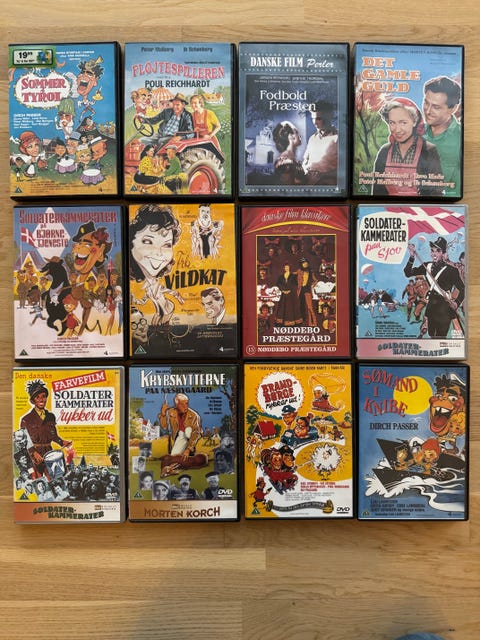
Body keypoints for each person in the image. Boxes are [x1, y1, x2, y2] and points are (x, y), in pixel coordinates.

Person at [372, 97, 444, 196]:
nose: (397, 130)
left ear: (414, 122)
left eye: (403, 123)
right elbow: (377, 192)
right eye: (392, 123)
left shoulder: (428, 150)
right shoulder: (384, 151)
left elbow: (436, 192)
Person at [129, 204, 184, 331]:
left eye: (167, 245)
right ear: (131, 242)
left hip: (167, 309)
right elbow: (143, 301)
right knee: (155, 325)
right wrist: (134, 300)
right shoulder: (148, 288)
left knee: (161, 326)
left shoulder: (156, 286)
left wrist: (177, 296)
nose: (159, 253)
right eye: (148, 242)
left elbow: (168, 291)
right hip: (160, 311)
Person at [403, 237, 464, 338]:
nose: (434, 254)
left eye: (438, 251)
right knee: (431, 335)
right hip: (431, 307)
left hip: (445, 308)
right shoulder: (427, 266)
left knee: (440, 336)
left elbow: (463, 288)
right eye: (432, 250)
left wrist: (456, 303)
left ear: (443, 253)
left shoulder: (452, 270)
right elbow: (408, 273)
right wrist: (412, 256)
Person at [20, 379, 72, 478]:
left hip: (49, 453)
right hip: (33, 456)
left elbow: (54, 436)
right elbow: (24, 441)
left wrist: (62, 442)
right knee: (37, 481)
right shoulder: (26, 419)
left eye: (43, 396)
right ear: (33, 400)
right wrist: (33, 453)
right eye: (37, 397)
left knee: (54, 479)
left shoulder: (50, 417)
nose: (41, 399)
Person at [423, 75, 462, 197]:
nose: (428, 111)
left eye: (436, 107)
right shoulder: (414, 134)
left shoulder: (461, 139)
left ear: (453, 108)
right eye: (426, 103)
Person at [302, 101, 338, 185]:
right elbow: (305, 161)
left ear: (328, 117)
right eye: (312, 118)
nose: (314, 122)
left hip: (328, 186)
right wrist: (306, 171)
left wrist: (323, 175)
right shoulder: (312, 139)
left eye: (318, 118)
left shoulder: (339, 137)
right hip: (310, 185)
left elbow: (345, 169)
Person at [159, 393, 202, 459]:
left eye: (186, 403)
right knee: (174, 456)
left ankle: (191, 451)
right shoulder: (171, 412)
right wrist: (163, 414)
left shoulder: (194, 415)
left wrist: (188, 449)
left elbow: (196, 433)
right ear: (176, 405)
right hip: (180, 436)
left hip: (192, 434)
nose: (185, 406)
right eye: (182, 404)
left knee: (188, 430)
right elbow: (164, 427)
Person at [274, 263, 302, 327]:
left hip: (291, 294)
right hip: (284, 294)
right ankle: (282, 322)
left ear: (289, 268)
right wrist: (283, 290)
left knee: (290, 307)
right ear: (284, 268)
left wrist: (289, 290)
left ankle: (292, 322)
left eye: (287, 267)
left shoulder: (293, 276)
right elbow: (278, 284)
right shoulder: (281, 276)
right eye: (285, 267)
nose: (286, 268)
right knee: (283, 307)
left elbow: (295, 284)